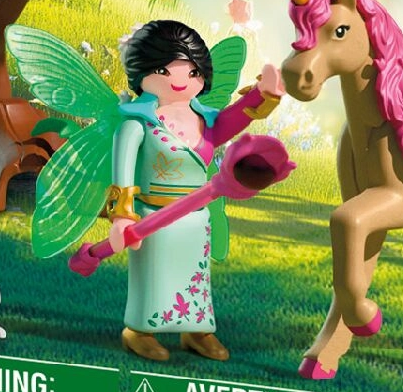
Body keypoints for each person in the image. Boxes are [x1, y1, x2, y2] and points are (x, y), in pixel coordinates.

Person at [106, 20, 283, 362]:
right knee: (154, 275)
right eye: (164, 70)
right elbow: (121, 173)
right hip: (153, 216)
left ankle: (196, 330)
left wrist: (264, 94)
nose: (179, 80)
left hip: (196, 217)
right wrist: (121, 217)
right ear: (142, 71)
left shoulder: (205, 122)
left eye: (191, 71)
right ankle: (139, 330)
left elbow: (238, 116)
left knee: (195, 277)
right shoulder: (136, 124)